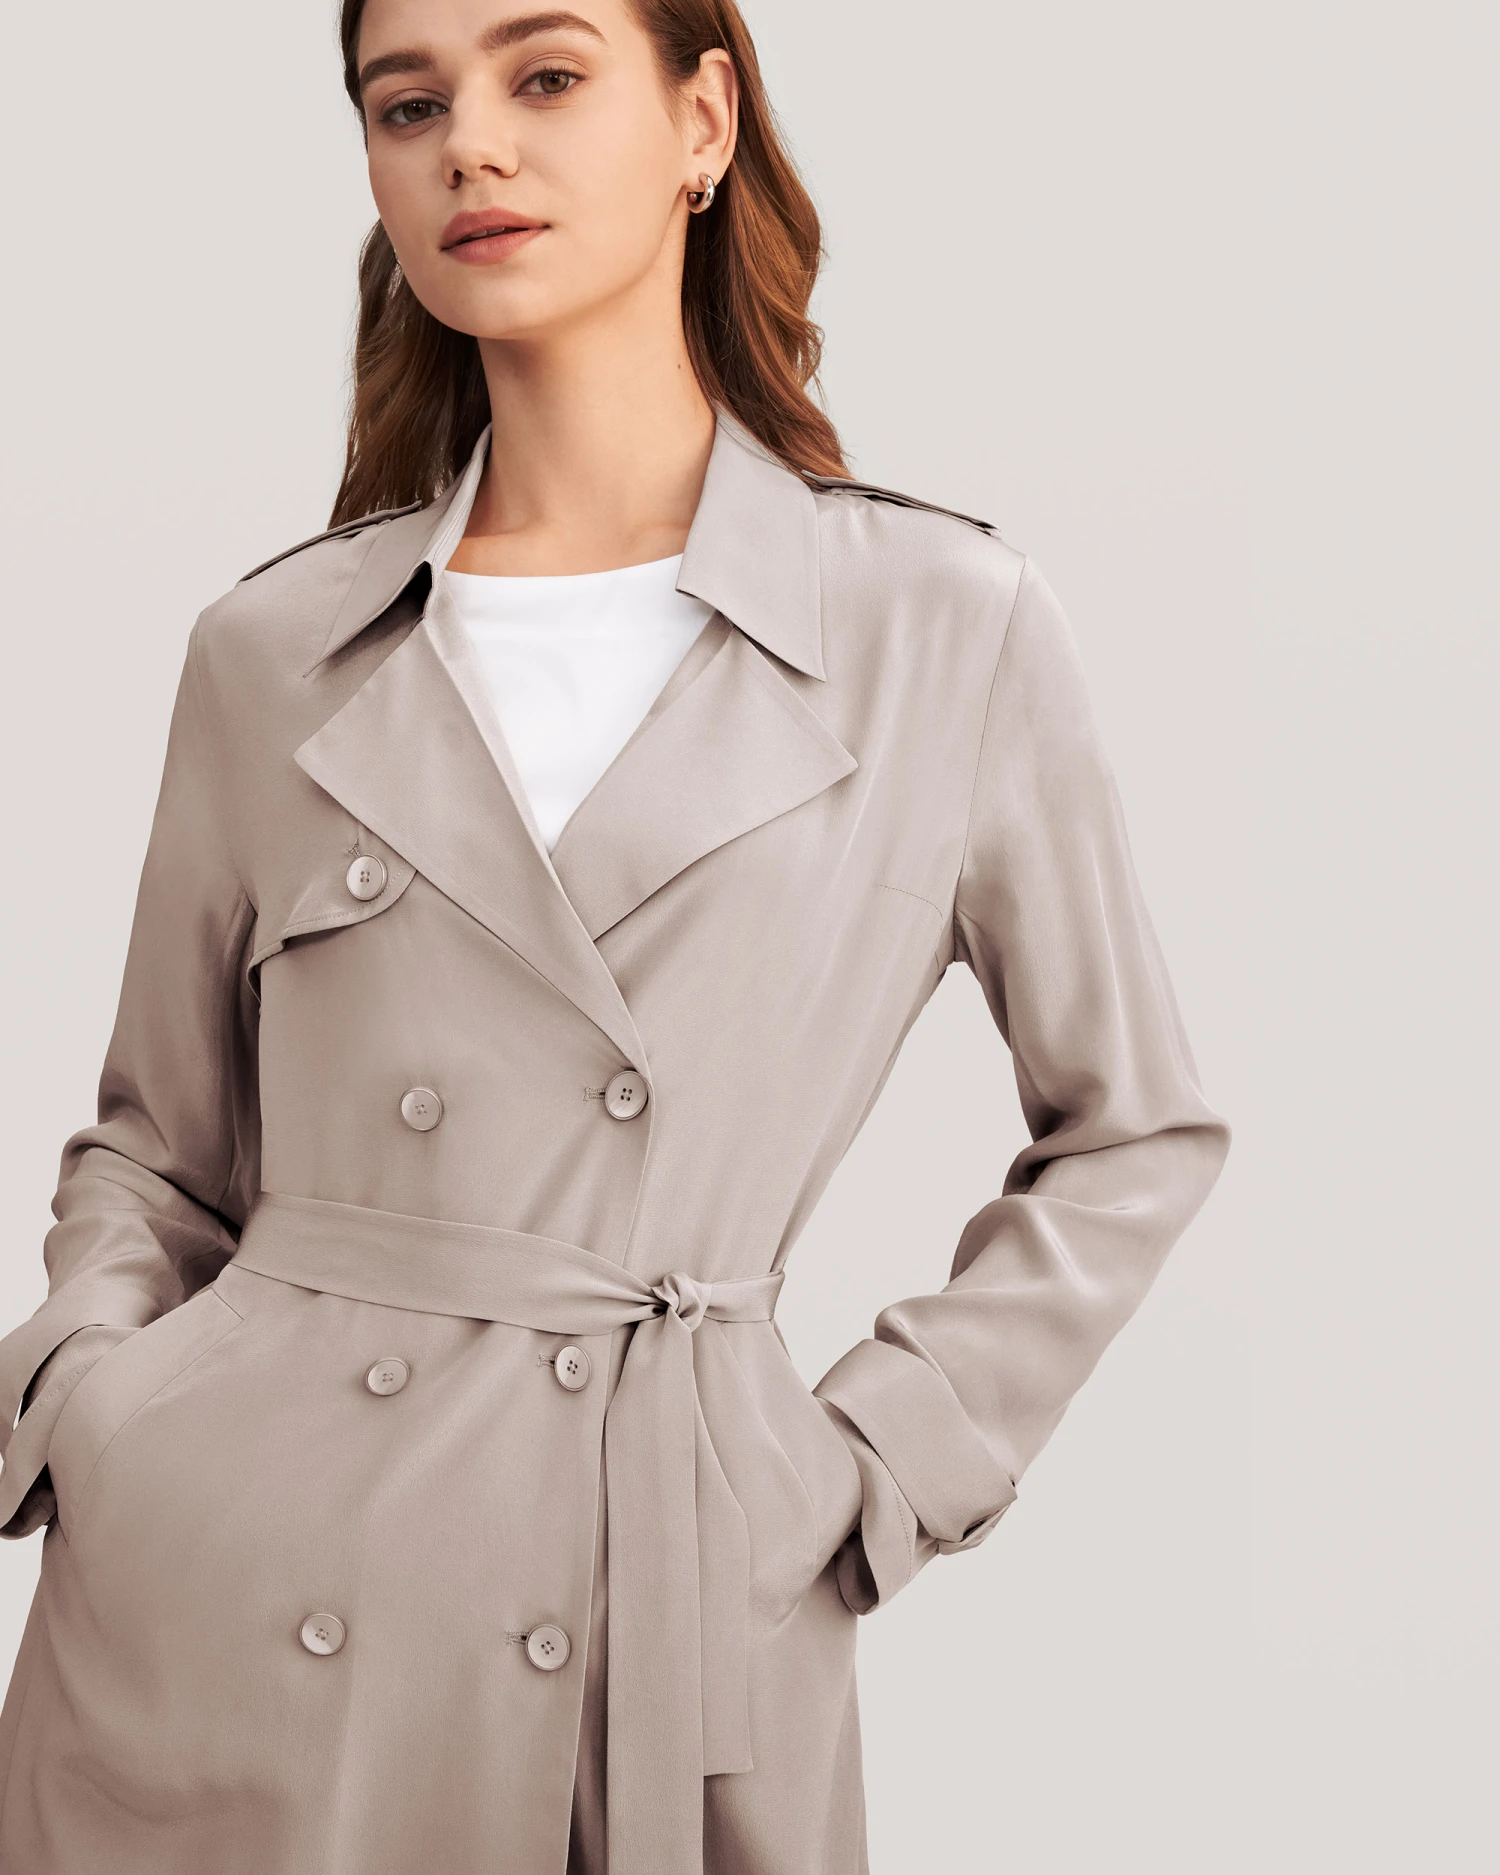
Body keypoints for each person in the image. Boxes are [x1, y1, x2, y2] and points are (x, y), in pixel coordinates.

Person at [0, 1, 1230, 1870]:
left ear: (703, 121)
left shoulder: (937, 624)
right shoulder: (272, 651)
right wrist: (91, 1397)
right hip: (226, 1608)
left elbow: (1136, 1124)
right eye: (408, 103)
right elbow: (159, 1150)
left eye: (547, 76)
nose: (471, 145)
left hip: (656, 1584)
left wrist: (872, 1464)